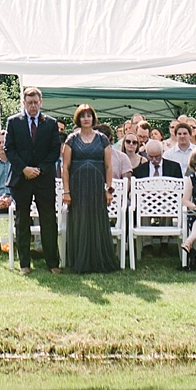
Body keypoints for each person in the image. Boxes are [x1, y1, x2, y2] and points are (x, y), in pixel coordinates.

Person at [4, 88, 62, 275]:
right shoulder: (13, 122)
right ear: (24, 103)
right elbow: (9, 149)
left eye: (36, 102)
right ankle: (24, 264)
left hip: (44, 179)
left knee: (48, 221)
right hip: (21, 179)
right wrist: (24, 169)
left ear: (41, 102)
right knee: (22, 222)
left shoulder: (51, 123)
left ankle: (52, 263)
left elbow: (54, 151)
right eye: (29, 102)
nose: (33, 106)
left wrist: (40, 169)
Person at [59, 105, 117, 274]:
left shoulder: (102, 139)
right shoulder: (71, 139)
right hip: (77, 187)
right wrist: (66, 191)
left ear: (93, 118)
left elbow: (109, 166)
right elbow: (65, 167)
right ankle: (80, 260)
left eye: (89, 116)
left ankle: (99, 261)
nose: (86, 118)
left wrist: (108, 189)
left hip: (97, 187)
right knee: (80, 222)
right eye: (83, 116)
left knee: (97, 222)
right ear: (78, 119)